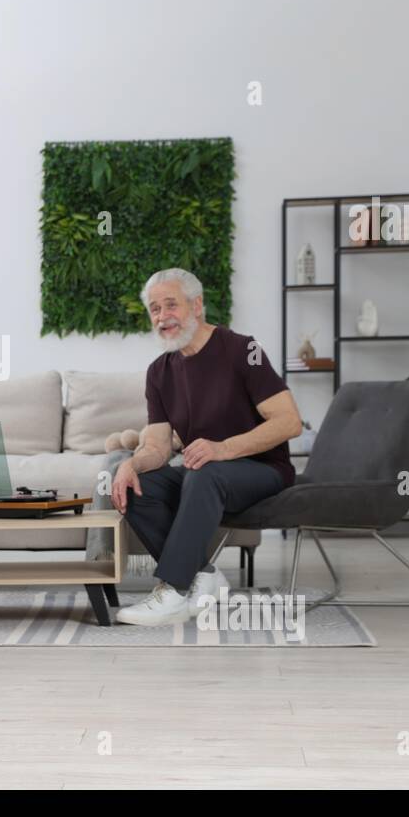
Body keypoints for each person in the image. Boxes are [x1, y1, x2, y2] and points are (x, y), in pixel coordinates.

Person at [112, 268, 302, 626]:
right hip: (208, 472)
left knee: (203, 474)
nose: (162, 316)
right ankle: (205, 575)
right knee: (139, 487)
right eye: (154, 308)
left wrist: (223, 448)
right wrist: (130, 466)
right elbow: (156, 446)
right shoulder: (159, 371)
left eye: (171, 305)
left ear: (196, 305)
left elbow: (288, 421)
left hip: (263, 470)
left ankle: (174, 590)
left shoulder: (245, 350)